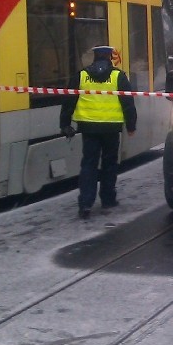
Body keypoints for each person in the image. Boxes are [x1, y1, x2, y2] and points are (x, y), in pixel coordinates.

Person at [60, 45, 137, 219]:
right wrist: (131, 126)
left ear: (94, 57)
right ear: (109, 56)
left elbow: (68, 101)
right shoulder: (118, 76)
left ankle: (86, 203)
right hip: (111, 129)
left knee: (89, 164)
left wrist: (64, 123)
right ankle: (108, 198)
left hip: (89, 129)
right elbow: (128, 103)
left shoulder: (82, 75)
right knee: (110, 164)